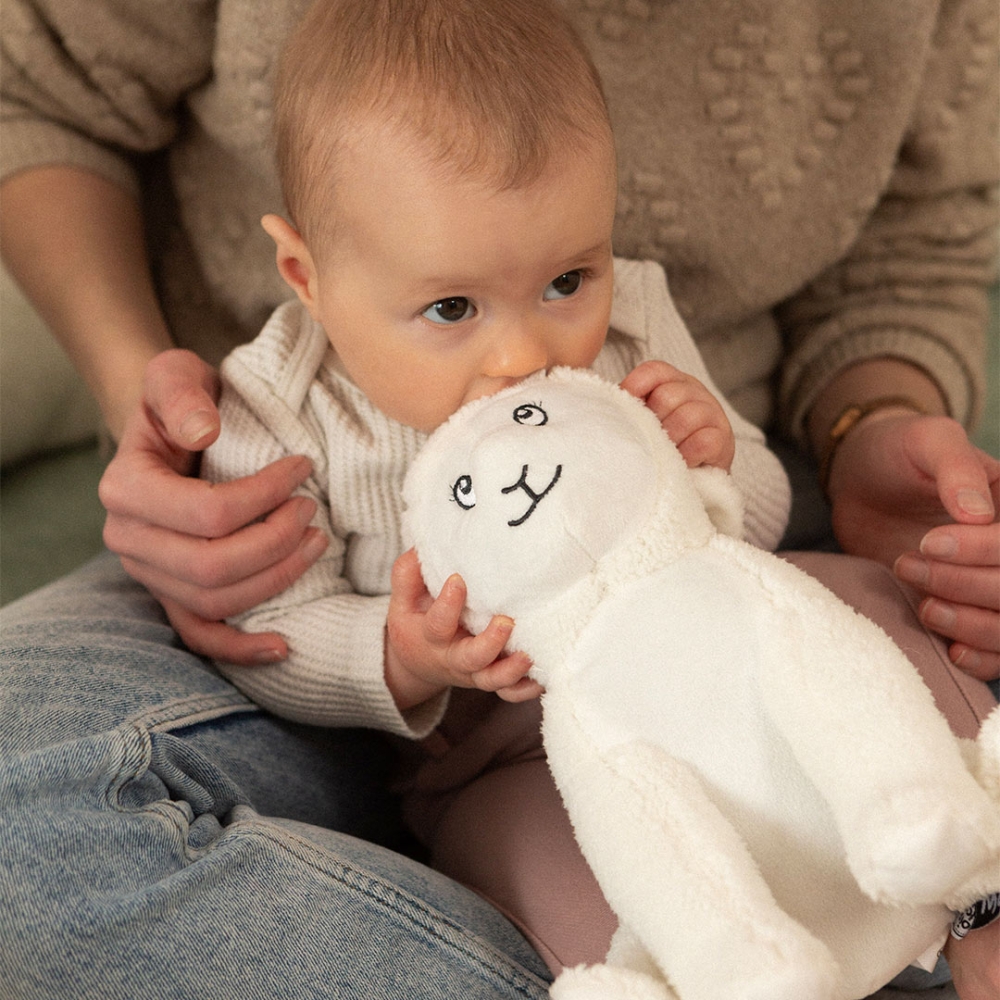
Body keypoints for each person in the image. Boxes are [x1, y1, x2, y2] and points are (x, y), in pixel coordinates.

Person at [1, 0, 996, 997]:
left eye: (569, 278)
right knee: (556, 887)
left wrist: (714, 461)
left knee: (863, 627)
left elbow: (750, 525)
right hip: (500, 764)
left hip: (703, 661)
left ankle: (972, 888)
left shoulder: (634, 326)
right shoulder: (273, 410)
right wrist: (394, 658)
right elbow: (273, 632)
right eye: (450, 309)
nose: (524, 353)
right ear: (306, 273)